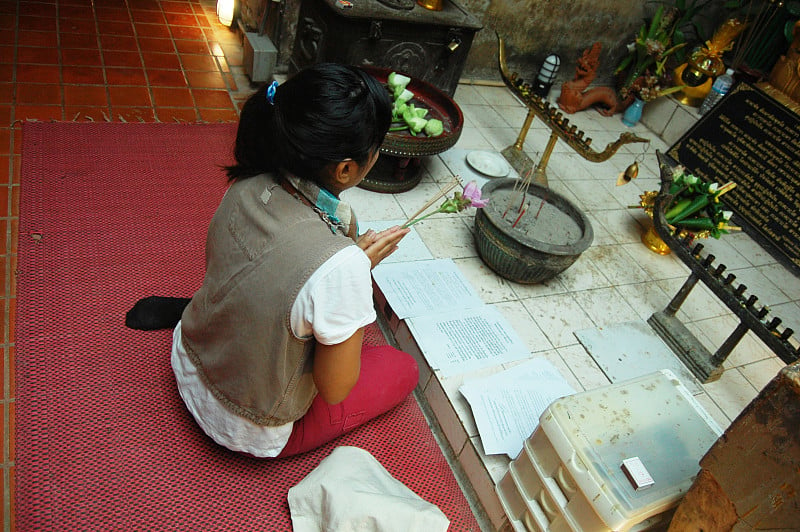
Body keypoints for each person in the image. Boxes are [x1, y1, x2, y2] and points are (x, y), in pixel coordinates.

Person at [172, 63, 416, 458]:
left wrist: (349, 266)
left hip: (188, 354)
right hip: (244, 422)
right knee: (401, 367)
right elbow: (335, 389)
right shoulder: (341, 267)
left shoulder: (248, 185)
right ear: (346, 169)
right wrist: (355, 272)